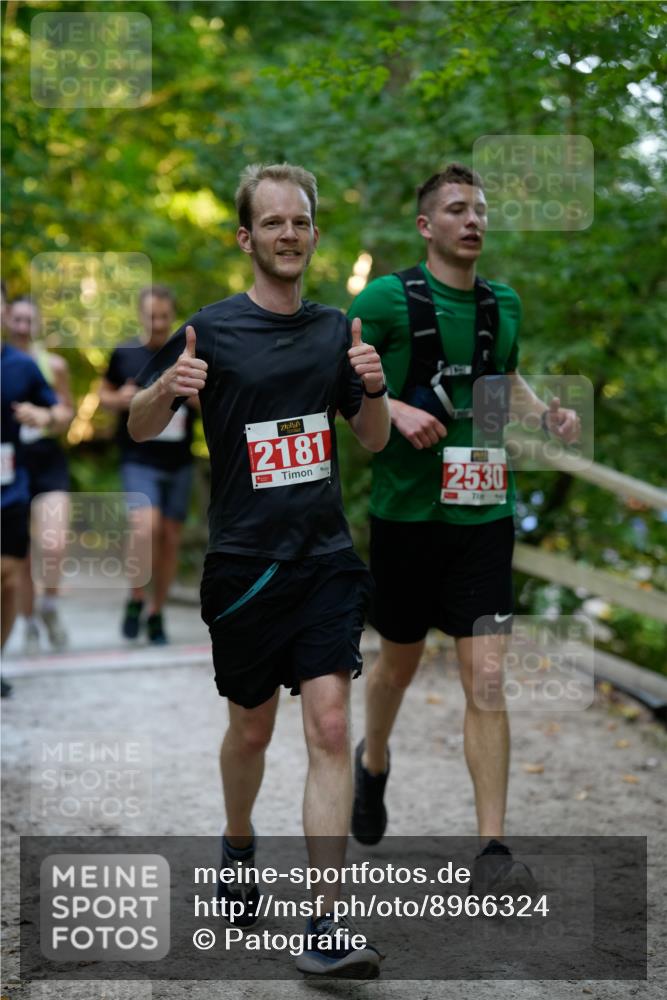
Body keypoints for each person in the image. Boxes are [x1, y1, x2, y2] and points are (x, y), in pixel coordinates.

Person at [128, 163, 390, 978]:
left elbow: (374, 439)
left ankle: (325, 924)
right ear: (246, 237)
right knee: (251, 727)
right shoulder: (210, 330)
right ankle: (238, 844)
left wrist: (374, 392)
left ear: (313, 233)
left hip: (324, 560)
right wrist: (170, 383)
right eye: (272, 223)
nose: (288, 235)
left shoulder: (335, 331)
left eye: (300, 222)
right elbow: (139, 426)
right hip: (245, 563)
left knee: (330, 727)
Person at [348, 164, 580, 892]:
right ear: (426, 226)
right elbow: (337, 378)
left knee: (486, 678)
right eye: (456, 209)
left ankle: (491, 851)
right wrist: (395, 410)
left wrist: (542, 413)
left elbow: (501, 380)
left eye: (479, 209)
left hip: (482, 515)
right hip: (405, 519)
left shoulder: (500, 303)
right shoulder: (385, 298)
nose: (472, 220)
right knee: (398, 664)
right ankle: (373, 759)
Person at [100, 285, 198, 645]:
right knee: (145, 528)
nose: (157, 323)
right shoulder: (125, 352)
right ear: (141, 316)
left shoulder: (186, 351)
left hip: (179, 460)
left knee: (171, 537)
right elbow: (103, 395)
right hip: (138, 455)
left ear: (171, 315)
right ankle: (136, 597)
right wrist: (121, 399)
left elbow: (211, 399)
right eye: (150, 316)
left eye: (163, 316)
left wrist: (187, 391)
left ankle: (157, 613)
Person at [1, 284, 70, 694]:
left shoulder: (25, 367)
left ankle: (38, 614)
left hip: (14, 482)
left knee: (9, 577)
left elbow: (61, 413)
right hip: (25, 475)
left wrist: (42, 415)